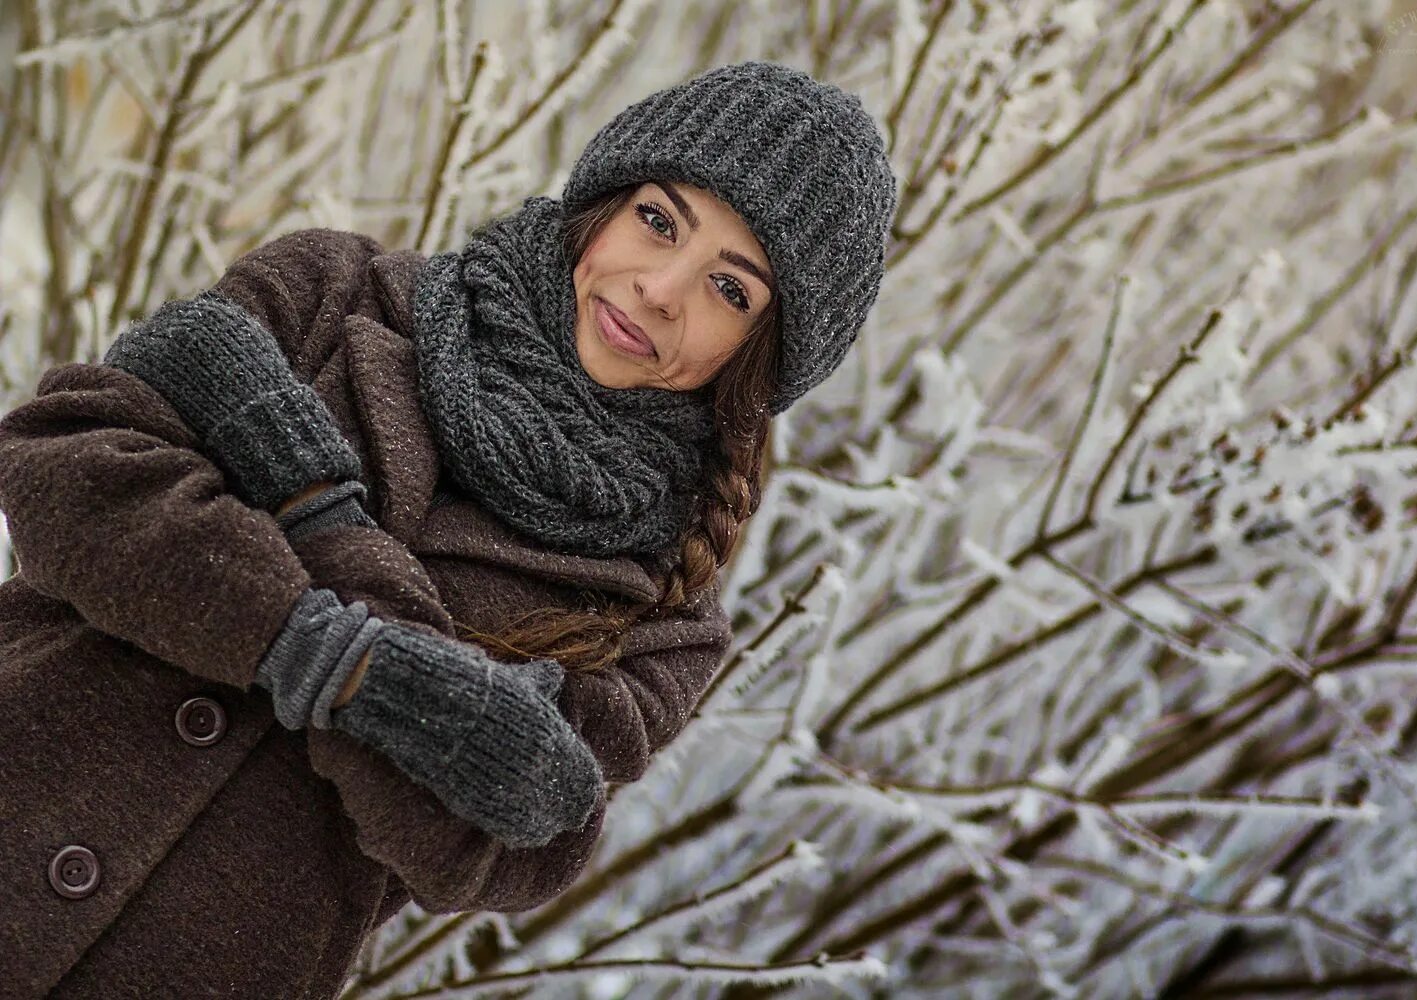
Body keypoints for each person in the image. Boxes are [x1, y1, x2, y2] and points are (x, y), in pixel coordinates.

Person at [0, 60, 897, 998]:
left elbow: (507, 836)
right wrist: (365, 674)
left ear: (760, 354)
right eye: (659, 220)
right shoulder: (336, 292)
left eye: (731, 291)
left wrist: (312, 510)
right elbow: (67, 461)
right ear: (605, 196)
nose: (663, 288)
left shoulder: (663, 615)